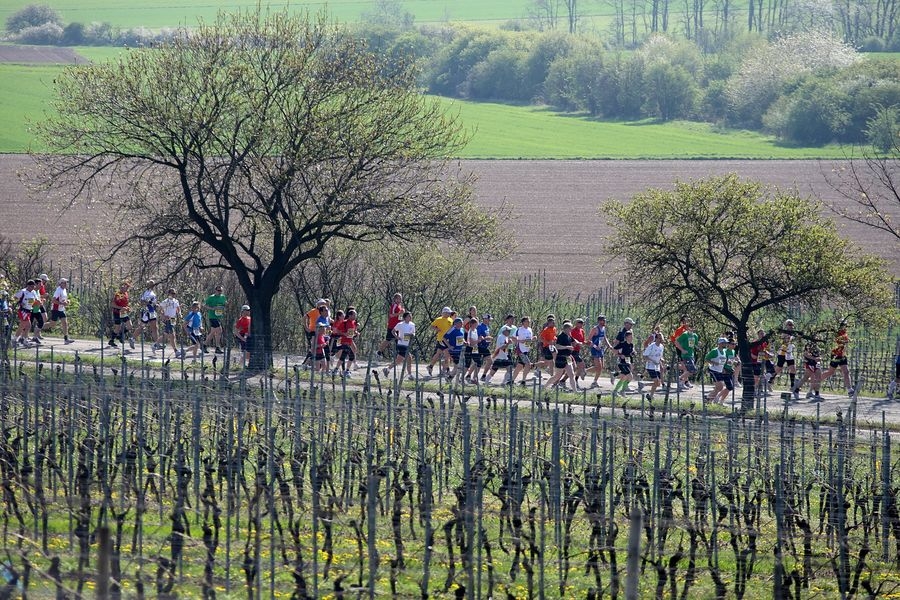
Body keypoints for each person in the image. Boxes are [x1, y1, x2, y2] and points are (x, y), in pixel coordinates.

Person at [821, 321, 853, 397]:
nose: (844, 327)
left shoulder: (845, 333)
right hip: (835, 355)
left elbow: (845, 344)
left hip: (842, 355)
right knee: (830, 372)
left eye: (845, 325)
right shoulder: (836, 333)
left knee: (846, 372)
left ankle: (850, 390)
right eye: (843, 325)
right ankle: (815, 381)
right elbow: (835, 343)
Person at [546, 321, 578, 391]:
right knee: (557, 376)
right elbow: (557, 346)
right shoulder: (561, 336)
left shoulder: (569, 336)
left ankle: (575, 391)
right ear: (566, 329)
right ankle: (544, 387)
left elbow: (574, 341)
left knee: (572, 374)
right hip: (560, 358)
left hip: (568, 357)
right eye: (570, 328)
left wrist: (578, 343)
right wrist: (567, 347)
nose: (571, 330)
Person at [385, 311, 415, 379]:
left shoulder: (412, 324)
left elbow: (413, 333)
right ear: (405, 318)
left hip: (407, 344)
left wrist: (411, 335)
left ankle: (387, 369)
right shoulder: (400, 324)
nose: (410, 317)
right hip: (401, 344)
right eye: (408, 316)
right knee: (409, 358)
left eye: (411, 316)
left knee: (398, 360)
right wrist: (397, 337)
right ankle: (410, 375)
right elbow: (393, 331)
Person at [132, 280, 161, 351]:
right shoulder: (146, 292)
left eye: (153, 284)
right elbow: (142, 302)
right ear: (148, 285)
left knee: (154, 327)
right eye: (151, 284)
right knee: (143, 326)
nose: (152, 286)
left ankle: (156, 344)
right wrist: (149, 303)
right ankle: (132, 338)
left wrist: (155, 304)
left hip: (152, 311)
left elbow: (152, 302)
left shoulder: (152, 292)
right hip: (148, 311)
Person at [427, 307, 454, 377]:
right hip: (441, 339)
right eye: (448, 313)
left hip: (448, 340)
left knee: (438, 353)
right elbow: (431, 326)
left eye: (449, 313)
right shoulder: (438, 319)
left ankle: (430, 366)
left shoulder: (450, 320)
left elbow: (451, 328)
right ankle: (447, 370)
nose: (449, 314)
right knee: (446, 353)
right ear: (444, 313)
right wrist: (436, 329)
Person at [13, 280, 40, 347]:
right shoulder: (23, 291)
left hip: (28, 310)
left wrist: (38, 302)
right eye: (31, 286)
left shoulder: (33, 292)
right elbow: (15, 297)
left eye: (33, 286)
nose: (32, 288)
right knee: (23, 325)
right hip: (23, 310)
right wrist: (20, 302)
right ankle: (15, 340)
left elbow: (35, 300)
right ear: (28, 286)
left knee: (28, 326)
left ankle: (24, 340)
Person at [674, 322, 699, 391]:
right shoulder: (685, 335)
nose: (691, 328)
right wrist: (682, 350)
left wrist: (698, 346)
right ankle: (680, 379)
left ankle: (681, 382)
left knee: (689, 370)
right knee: (692, 370)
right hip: (685, 355)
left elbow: (695, 345)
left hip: (692, 355)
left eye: (692, 326)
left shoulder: (695, 336)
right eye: (690, 327)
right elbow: (676, 342)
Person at [333, 308, 359, 377]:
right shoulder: (344, 322)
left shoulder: (353, 323)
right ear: (349, 315)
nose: (355, 316)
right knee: (351, 356)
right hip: (344, 342)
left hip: (349, 342)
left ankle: (336, 370)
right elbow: (337, 331)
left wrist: (356, 333)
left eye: (355, 315)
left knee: (343, 357)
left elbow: (351, 333)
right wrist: (344, 334)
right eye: (354, 315)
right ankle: (346, 371)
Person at [378, 293, 404, 359]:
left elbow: (399, 317)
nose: (400, 300)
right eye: (398, 298)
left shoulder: (400, 306)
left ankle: (400, 356)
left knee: (399, 340)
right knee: (388, 340)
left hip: (398, 327)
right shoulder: (394, 306)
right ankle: (378, 352)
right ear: (395, 299)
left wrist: (402, 316)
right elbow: (391, 315)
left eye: (400, 298)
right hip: (392, 326)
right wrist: (399, 313)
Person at [509, 316, 534, 386]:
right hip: (521, 350)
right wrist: (520, 341)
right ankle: (523, 381)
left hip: (526, 350)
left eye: (529, 321)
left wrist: (533, 339)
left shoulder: (530, 330)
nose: (528, 322)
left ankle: (511, 381)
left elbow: (529, 340)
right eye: (527, 321)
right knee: (528, 365)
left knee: (519, 366)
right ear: (523, 322)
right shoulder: (519, 330)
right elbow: (512, 338)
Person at [47, 277, 73, 344]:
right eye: (64, 283)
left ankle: (66, 339)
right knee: (52, 325)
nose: (66, 284)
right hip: (56, 309)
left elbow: (64, 299)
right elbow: (53, 300)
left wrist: (67, 301)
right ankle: (39, 327)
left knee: (65, 323)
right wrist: (62, 303)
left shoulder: (64, 290)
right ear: (60, 284)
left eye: (66, 283)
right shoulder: (58, 290)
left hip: (61, 309)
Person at [587, 315, 610, 388]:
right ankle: (593, 380)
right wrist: (595, 346)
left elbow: (605, 338)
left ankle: (586, 372)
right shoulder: (595, 329)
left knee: (601, 367)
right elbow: (589, 340)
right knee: (598, 367)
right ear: (599, 321)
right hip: (595, 349)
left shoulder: (603, 328)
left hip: (601, 349)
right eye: (603, 320)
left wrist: (609, 346)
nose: (605, 322)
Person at [705, 337, 730, 404]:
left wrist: (723, 369)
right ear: (720, 343)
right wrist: (714, 363)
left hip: (720, 371)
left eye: (726, 343)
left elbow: (723, 361)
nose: (726, 344)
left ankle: (708, 399)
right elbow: (707, 358)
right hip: (713, 370)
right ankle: (709, 398)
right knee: (720, 387)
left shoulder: (724, 351)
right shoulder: (715, 351)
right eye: (724, 343)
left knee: (718, 388)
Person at [303, 299, 328, 367]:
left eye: (325, 304)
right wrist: (306, 327)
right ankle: (307, 364)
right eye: (322, 304)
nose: (324, 305)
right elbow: (305, 317)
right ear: (318, 304)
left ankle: (311, 364)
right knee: (314, 348)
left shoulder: (324, 312)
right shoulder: (313, 311)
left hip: (321, 333)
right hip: (313, 331)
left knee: (318, 349)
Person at [203, 285, 227, 354]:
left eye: (221, 291)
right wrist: (212, 308)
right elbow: (204, 304)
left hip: (219, 317)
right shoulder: (211, 297)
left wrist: (224, 306)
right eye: (219, 291)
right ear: (215, 291)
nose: (220, 292)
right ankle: (217, 347)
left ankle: (204, 345)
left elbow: (225, 304)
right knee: (219, 330)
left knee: (213, 332)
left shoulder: (223, 297)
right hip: (212, 317)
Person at [109, 281, 133, 349]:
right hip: (117, 313)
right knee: (117, 327)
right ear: (121, 287)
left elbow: (125, 304)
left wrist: (127, 308)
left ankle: (120, 335)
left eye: (127, 287)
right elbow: (112, 304)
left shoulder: (126, 294)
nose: (127, 288)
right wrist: (121, 308)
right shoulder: (118, 294)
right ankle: (112, 340)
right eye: (125, 287)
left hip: (124, 313)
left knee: (130, 326)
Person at [611, 331, 635, 399]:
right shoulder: (622, 344)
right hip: (621, 362)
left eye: (632, 337)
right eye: (630, 337)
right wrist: (620, 355)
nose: (631, 338)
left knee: (625, 377)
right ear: (626, 337)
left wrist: (633, 353)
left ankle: (616, 391)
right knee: (629, 376)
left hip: (627, 362)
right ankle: (615, 376)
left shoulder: (631, 345)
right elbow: (613, 349)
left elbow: (631, 353)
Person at [641, 332, 665, 400]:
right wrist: (652, 360)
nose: (661, 340)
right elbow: (645, 356)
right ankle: (650, 396)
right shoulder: (651, 346)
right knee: (656, 381)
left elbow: (660, 356)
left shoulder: (661, 347)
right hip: (650, 366)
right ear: (656, 339)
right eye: (659, 338)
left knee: (658, 383)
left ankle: (649, 394)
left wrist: (662, 360)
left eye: (662, 338)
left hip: (657, 366)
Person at [444, 317, 466, 383]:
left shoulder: (462, 330)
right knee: (458, 365)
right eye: (460, 323)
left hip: (460, 351)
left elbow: (461, 338)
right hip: (454, 351)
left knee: (459, 366)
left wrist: (464, 342)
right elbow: (444, 338)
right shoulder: (452, 330)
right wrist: (449, 346)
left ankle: (450, 378)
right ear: (456, 324)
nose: (462, 324)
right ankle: (454, 379)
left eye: (462, 322)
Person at [159, 288, 180, 354]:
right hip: (167, 320)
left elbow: (178, 309)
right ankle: (176, 350)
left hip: (173, 319)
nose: (173, 295)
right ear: (168, 294)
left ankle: (155, 344)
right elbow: (160, 310)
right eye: (172, 293)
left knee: (166, 335)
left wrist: (179, 314)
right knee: (172, 335)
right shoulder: (165, 301)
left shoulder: (176, 301)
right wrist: (163, 316)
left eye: (174, 293)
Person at [476, 314, 494, 382]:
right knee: (478, 363)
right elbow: (479, 337)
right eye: (489, 319)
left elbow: (486, 336)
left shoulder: (487, 327)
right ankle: (469, 375)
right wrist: (486, 338)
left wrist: (489, 340)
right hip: (479, 346)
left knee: (490, 361)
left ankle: (483, 376)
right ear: (485, 319)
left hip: (485, 346)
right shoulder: (480, 326)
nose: (489, 321)